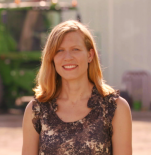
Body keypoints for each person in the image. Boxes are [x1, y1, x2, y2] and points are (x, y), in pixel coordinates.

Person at [22, 20, 132, 155]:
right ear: (52, 58)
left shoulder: (115, 108)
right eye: (59, 50)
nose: (67, 57)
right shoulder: (36, 110)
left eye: (76, 49)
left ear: (90, 55)